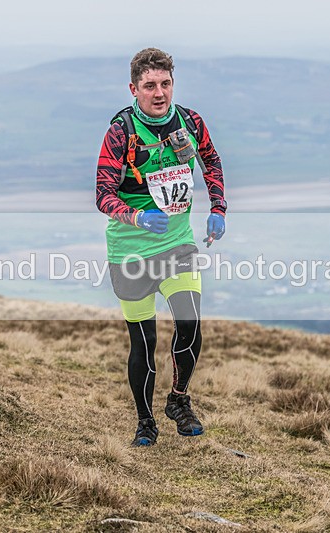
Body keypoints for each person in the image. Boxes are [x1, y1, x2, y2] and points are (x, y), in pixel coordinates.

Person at [95, 48, 227, 447]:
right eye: (149, 85)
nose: (159, 93)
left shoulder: (190, 121)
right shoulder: (122, 132)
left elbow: (212, 162)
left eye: (165, 84)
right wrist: (137, 217)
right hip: (130, 251)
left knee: (190, 323)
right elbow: (103, 194)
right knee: (144, 342)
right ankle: (145, 421)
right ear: (133, 88)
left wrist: (218, 209)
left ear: (173, 84)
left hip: (177, 244)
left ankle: (179, 400)